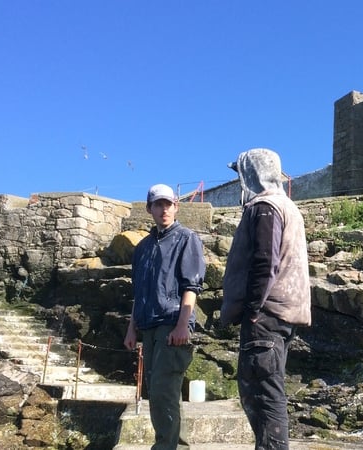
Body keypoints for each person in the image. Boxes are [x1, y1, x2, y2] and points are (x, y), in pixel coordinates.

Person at [221, 148, 312, 450]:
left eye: (241, 173)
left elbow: (264, 261)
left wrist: (252, 310)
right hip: (282, 314)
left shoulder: (264, 207)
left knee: (263, 397)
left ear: (252, 173)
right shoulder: (288, 207)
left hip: (266, 317)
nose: (240, 180)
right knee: (269, 394)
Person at [124, 183, 206, 450]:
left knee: (162, 391)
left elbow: (191, 286)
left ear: (176, 207)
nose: (164, 209)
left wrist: (183, 325)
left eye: (168, 204)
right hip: (147, 327)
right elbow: (139, 292)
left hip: (172, 326)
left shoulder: (186, 238)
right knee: (162, 393)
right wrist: (131, 328)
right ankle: (175, 446)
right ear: (149, 209)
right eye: (158, 204)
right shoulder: (143, 248)